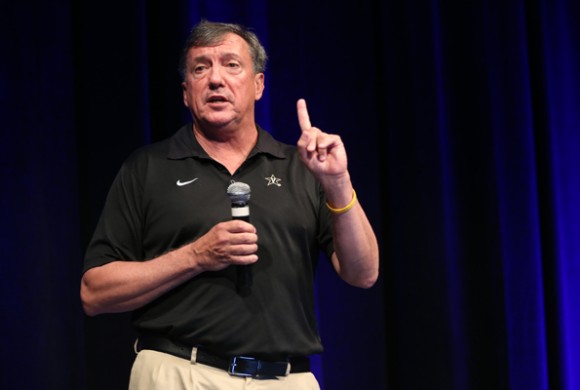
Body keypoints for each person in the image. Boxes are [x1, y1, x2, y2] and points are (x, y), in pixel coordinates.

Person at [80, 20, 378, 389]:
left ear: (258, 85)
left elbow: (363, 273)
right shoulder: (148, 169)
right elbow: (94, 292)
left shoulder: (302, 168)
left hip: (284, 378)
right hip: (179, 372)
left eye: (231, 64)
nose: (216, 79)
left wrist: (337, 181)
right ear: (186, 93)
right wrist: (196, 256)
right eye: (201, 68)